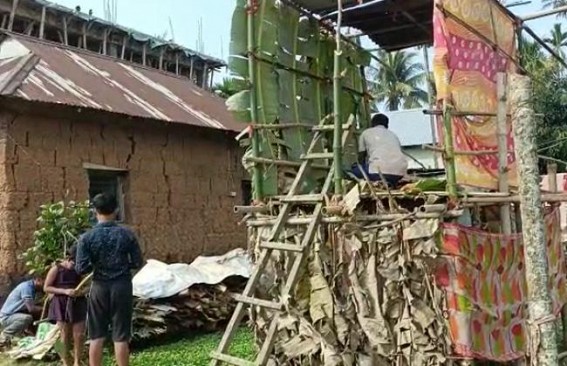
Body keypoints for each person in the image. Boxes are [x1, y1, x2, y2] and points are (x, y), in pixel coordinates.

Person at [76, 193, 143, 366]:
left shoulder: (86, 238)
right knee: (121, 335)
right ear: (116, 210)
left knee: (96, 335)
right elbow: (137, 262)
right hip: (122, 286)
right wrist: (122, 267)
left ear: (95, 211)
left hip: (99, 287)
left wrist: (97, 267)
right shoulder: (127, 234)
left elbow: (81, 268)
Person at [44, 244, 87, 366]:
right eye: (74, 262)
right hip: (61, 304)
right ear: (69, 258)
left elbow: (87, 285)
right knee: (64, 335)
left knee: (79, 335)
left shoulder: (80, 269)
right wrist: (65, 291)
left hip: (77, 302)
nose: (75, 265)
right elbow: (46, 287)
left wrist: (80, 292)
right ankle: (65, 361)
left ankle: (77, 362)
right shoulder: (56, 269)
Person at [351, 113, 408, 186]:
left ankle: (376, 181)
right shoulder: (393, 135)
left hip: (378, 173)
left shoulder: (365, 133)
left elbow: (361, 158)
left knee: (355, 168)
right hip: (400, 174)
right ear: (387, 125)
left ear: (372, 123)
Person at [0, 277, 44, 346]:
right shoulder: (27, 287)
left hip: (14, 315)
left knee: (33, 313)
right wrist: (45, 309)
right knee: (27, 318)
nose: (44, 287)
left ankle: (29, 334)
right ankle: (5, 335)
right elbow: (31, 308)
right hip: (7, 317)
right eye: (43, 284)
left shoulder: (31, 288)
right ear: (38, 280)